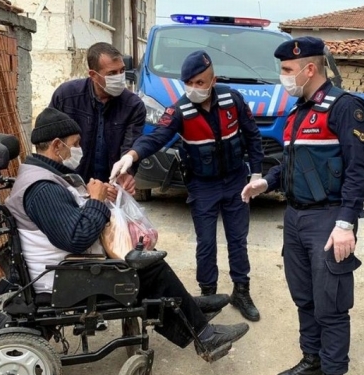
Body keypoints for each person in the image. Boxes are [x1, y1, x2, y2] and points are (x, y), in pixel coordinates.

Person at [5, 107, 249, 361]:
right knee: (150, 267)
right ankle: (204, 336)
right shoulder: (42, 187)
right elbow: (76, 238)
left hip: (63, 268)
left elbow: (67, 220)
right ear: (56, 145)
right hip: (63, 279)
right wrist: (96, 202)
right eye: (74, 144)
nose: (78, 150)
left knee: (145, 259)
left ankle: (188, 309)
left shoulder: (41, 174)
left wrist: (94, 197)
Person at [241, 37, 364, 375]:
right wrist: (267, 181)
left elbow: (357, 172)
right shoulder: (299, 111)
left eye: (287, 70)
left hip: (328, 220)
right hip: (295, 217)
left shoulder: (344, 108)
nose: (282, 77)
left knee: (331, 306)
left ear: (309, 69)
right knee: (305, 298)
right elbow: (291, 162)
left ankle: (332, 369)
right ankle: (312, 359)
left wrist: (346, 225)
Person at [110, 50, 264, 322]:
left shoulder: (233, 100)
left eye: (200, 83)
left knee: (238, 240)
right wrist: (131, 155)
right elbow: (157, 136)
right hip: (203, 185)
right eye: (188, 83)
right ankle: (208, 296)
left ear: (213, 80)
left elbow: (252, 135)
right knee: (206, 243)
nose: (194, 89)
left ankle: (242, 291)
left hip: (235, 181)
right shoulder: (180, 109)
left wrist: (257, 174)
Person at [50, 42, 145, 194]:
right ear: (93, 75)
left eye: (122, 71)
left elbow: (130, 146)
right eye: (112, 73)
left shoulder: (133, 106)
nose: (119, 77)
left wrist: (124, 175)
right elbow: (49, 142)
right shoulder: (66, 96)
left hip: (109, 188)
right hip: (68, 186)